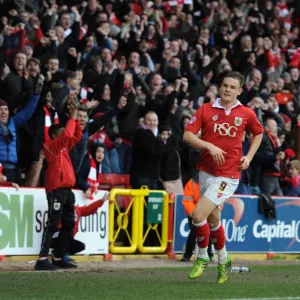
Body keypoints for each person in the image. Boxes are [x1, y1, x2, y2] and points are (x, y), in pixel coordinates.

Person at [183, 71, 263, 284]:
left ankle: (201, 256)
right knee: (213, 219)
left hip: (229, 174)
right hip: (207, 171)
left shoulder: (246, 113)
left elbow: (259, 133)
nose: (227, 89)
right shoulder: (206, 109)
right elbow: (187, 135)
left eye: (232, 87)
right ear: (221, 87)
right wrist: (209, 145)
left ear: (239, 90)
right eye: (225, 85)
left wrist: (249, 156)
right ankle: (224, 260)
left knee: (198, 215)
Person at [35, 102, 82, 271]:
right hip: (56, 189)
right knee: (53, 223)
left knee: (69, 223)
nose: (64, 132)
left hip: (67, 190)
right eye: (61, 131)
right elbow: (69, 136)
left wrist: (75, 120)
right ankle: (42, 258)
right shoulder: (51, 146)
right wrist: (71, 118)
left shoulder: (62, 148)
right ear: (55, 135)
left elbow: (76, 136)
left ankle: (58, 255)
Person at [51, 192, 110, 263]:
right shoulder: (60, 209)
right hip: (55, 237)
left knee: (80, 246)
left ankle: (60, 253)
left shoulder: (77, 210)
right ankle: (61, 256)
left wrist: (102, 200)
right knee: (66, 233)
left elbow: (89, 209)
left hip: (66, 238)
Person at [181, 173, 214, 262]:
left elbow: (218, 201)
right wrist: (195, 215)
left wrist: (208, 213)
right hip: (194, 214)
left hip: (207, 213)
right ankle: (188, 254)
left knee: (208, 230)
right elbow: (187, 201)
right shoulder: (191, 183)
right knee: (195, 230)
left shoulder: (214, 183)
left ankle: (208, 254)